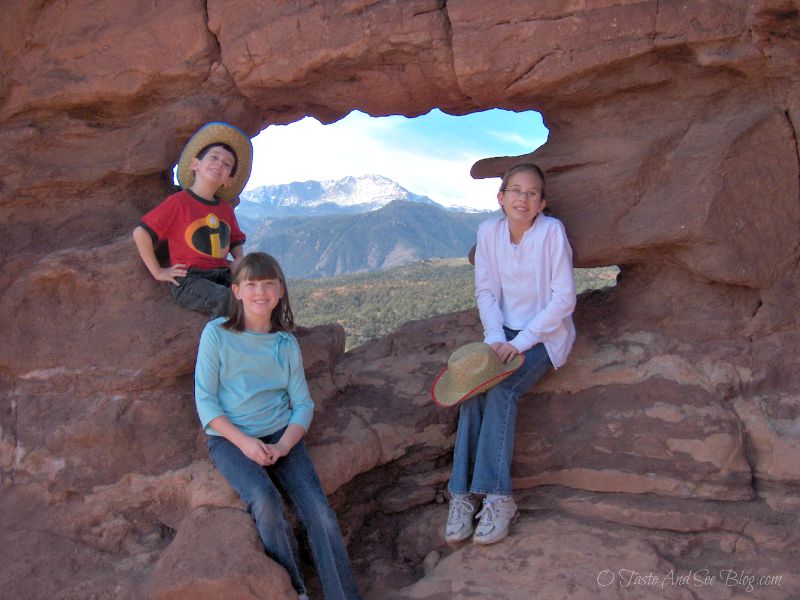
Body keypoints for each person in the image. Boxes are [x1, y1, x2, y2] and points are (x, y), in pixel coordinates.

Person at [194, 252, 362, 600]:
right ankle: (296, 591)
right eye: (251, 284)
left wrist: (284, 446)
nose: (260, 292)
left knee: (317, 508)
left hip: (279, 434)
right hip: (229, 440)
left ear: (280, 290)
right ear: (236, 291)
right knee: (264, 500)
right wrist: (244, 444)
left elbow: (302, 405)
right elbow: (206, 402)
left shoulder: (285, 344)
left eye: (268, 284)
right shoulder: (216, 334)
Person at [442, 163, 577, 546]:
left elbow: (564, 299)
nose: (523, 198)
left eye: (532, 193)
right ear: (500, 198)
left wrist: (519, 344)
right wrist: (496, 337)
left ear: (542, 203)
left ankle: (498, 498)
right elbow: (485, 291)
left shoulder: (552, 233)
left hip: (545, 335)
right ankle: (462, 496)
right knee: (472, 389)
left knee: (502, 390)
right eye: (515, 191)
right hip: (502, 335)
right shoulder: (489, 232)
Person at [133, 122, 252, 317]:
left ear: (228, 179)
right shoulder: (179, 203)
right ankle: (222, 343)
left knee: (259, 293)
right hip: (190, 278)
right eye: (214, 157)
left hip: (222, 274)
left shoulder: (225, 208)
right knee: (226, 300)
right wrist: (158, 272)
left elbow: (235, 241)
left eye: (226, 164)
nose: (219, 164)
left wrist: (239, 259)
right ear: (195, 164)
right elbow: (141, 232)